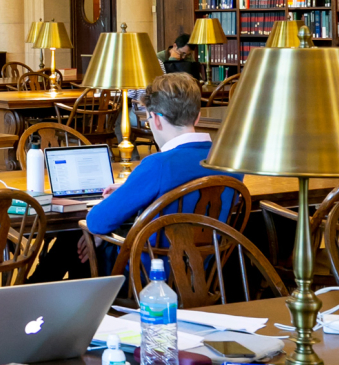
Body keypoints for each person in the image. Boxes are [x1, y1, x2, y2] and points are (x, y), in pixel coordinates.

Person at [82, 72, 243, 261]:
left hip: (151, 275)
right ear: (197, 117)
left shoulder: (158, 165)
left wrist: (133, 190)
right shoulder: (231, 161)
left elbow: (97, 222)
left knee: (79, 241)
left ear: (155, 119)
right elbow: (191, 189)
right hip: (210, 271)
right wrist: (134, 188)